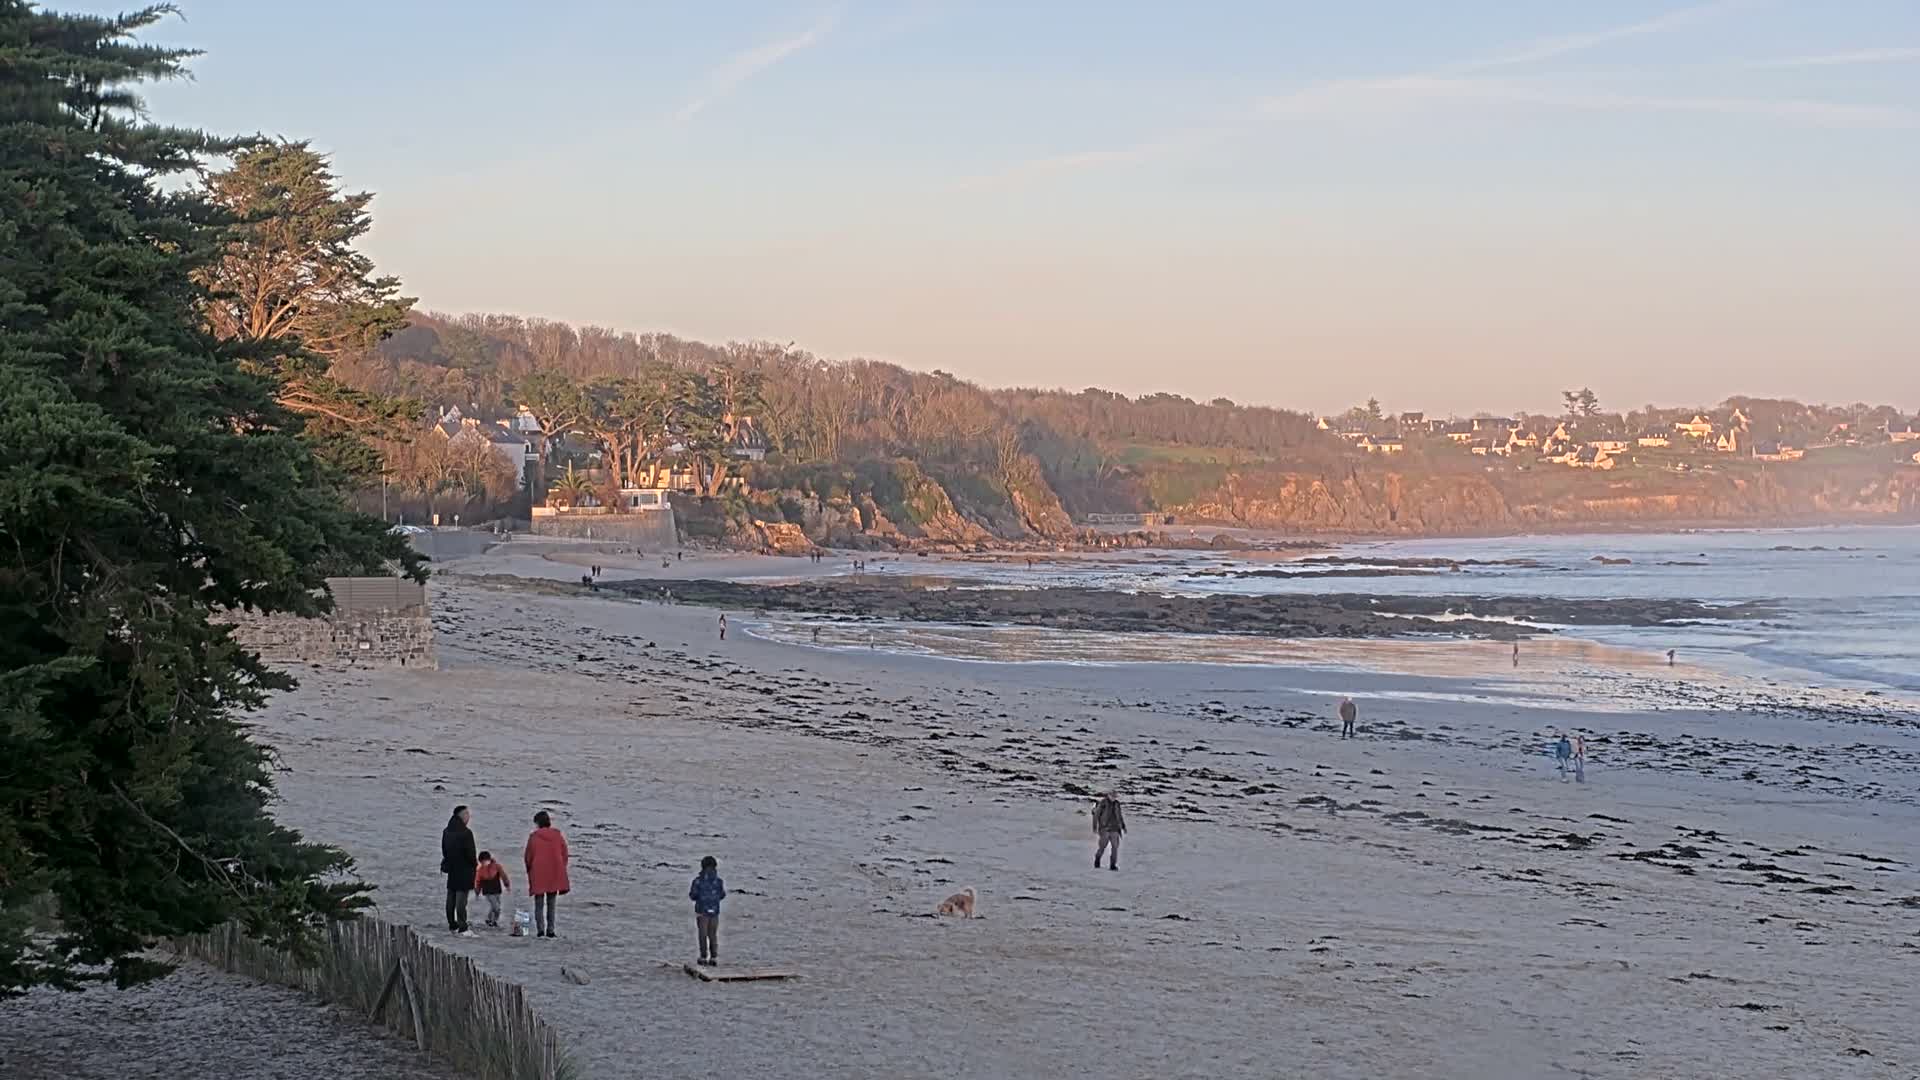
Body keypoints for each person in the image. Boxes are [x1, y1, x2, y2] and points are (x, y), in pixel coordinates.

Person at [524, 810, 571, 939]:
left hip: (538, 873)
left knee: (539, 904)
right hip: (555, 872)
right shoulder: (557, 836)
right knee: (552, 903)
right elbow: (565, 854)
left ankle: (540, 930)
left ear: (538, 823)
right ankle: (550, 930)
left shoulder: (534, 837)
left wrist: (529, 870)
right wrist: (561, 868)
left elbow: (528, 856)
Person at [440, 805, 478, 937]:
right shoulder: (466, 833)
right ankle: (463, 926)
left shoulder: (446, 831)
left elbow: (444, 849)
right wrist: (475, 865)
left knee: (451, 895)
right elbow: (471, 854)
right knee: (461, 899)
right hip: (465, 869)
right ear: (462, 816)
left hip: (452, 867)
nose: (469, 817)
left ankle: (452, 923)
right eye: (467, 814)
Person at [690, 856, 727, 966]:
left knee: (703, 934)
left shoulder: (698, 881)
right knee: (713, 934)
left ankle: (703, 956)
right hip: (714, 911)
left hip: (702, 911)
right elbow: (722, 895)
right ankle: (714, 957)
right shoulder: (719, 881)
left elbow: (693, 895)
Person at [475, 850, 511, 929]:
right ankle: (494, 920)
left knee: (495, 906)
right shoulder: (480, 870)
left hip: (496, 889)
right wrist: (477, 892)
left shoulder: (497, 866)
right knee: (496, 907)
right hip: (488, 891)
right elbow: (478, 882)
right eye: (482, 862)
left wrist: (507, 884)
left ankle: (490, 920)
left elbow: (503, 875)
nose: (484, 863)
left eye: (485, 861)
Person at [1092, 790, 1126, 871]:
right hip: (1105, 829)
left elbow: (1119, 816)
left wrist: (1123, 826)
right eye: (1112, 796)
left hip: (1115, 829)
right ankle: (1097, 859)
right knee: (1102, 847)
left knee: (1115, 847)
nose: (1114, 797)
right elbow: (1096, 815)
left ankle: (1113, 865)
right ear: (1108, 795)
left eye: (1115, 796)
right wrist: (1094, 827)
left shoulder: (1117, 804)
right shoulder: (1103, 803)